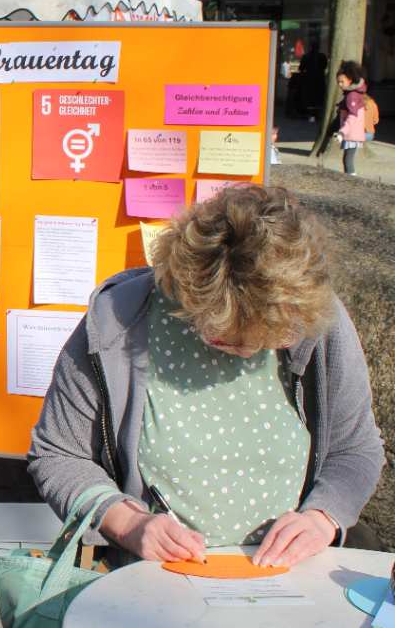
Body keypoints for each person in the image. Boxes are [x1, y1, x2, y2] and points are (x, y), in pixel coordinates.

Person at [28, 184, 383, 569]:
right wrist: (129, 524)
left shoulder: (316, 320)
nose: (247, 351)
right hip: (156, 583)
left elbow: (355, 448)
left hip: (292, 582)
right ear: (189, 294)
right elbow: (59, 454)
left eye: (267, 340)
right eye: (226, 338)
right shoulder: (119, 319)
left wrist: (322, 517)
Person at [336, 60, 368, 176]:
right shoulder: (353, 94)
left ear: (350, 80)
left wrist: (342, 132)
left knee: (348, 160)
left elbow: (352, 117)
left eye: (342, 82)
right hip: (351, 133)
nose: (339, 84)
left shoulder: (352, 96)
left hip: (351, 134)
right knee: (347, 159)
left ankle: (352, 182)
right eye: (338, 82)